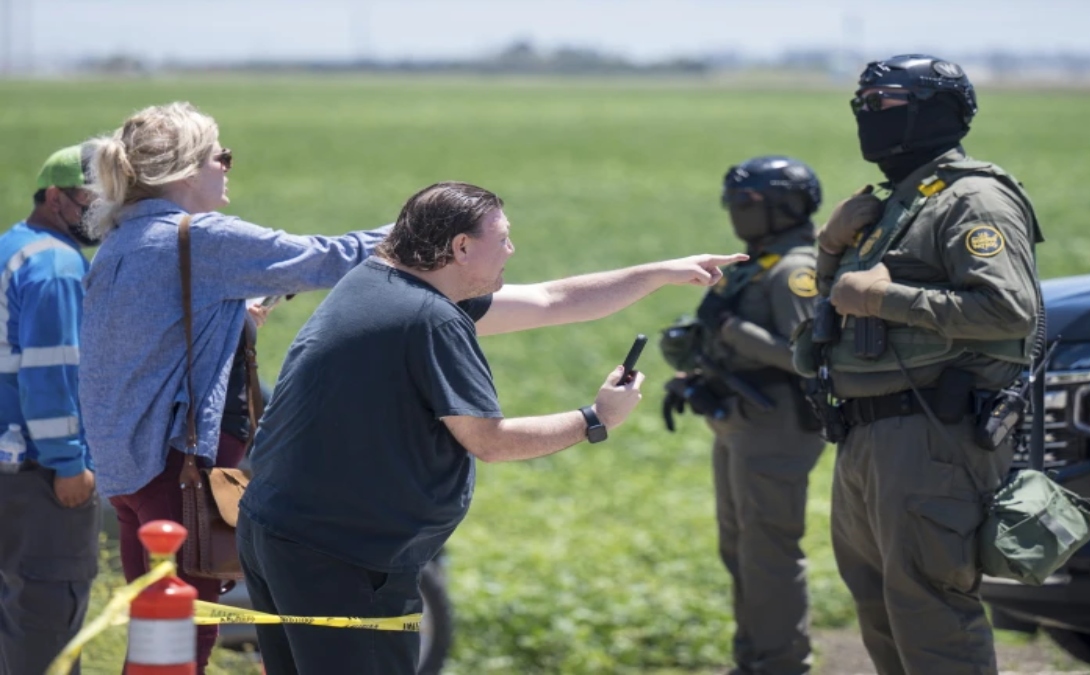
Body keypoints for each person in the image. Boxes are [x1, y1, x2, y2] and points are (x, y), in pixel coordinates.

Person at [236, 181, 745, 675]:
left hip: (280, 535)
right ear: (460, 246)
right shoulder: (427, 318)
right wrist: (597, 418)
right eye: (501, 238)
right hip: (339, 556)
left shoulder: (380, 282)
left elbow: (552, 300)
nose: (512, 248)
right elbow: (490, 441)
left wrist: (660, 272)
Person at [77, 101, 390, 672]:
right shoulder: (200, 238)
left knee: (158, 639)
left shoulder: (122, 242)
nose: (227, 166)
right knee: (181, 643)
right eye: (221, 155)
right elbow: (331, 258)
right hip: (180, 477)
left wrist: (235, 318)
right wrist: (423, 227)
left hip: (128, 474)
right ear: (188, 170)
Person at [792, 55, 1043, 674]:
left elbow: (1011, 311)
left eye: (884, 103)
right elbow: (832, 315)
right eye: (863, 104)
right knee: (881, 611)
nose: (866, 114)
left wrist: (883, 297)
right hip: (865, 433)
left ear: (934, 110)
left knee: (930, 613)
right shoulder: (895, 205)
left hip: (932, 432)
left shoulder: (973, 198)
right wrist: (831, 250)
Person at [658, 156, 826, 674]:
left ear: (784, 206)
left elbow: (808, 357)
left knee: (768, 552)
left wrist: (730, 329)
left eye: (748, 202)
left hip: (776, 424)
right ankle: (753, 658)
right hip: (738, 420)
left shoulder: (796, 268)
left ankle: (780, 664)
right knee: (740, 550)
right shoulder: (760, 262)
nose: (736, 210)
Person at [0, 144, 101, 675]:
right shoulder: (58, 266)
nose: (102, 209)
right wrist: (68, 463)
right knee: (47, 632)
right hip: (39, 474)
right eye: (92, 197)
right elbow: (51, 372)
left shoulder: (13, 247)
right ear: (55, 196)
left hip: (8, 462)